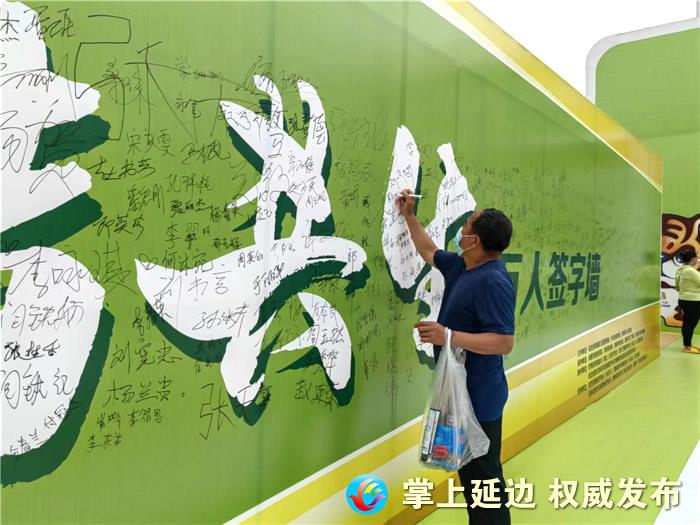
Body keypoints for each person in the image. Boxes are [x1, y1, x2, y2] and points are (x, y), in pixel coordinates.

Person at [397, 189, 515, 525]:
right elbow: (428, 251)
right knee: (471, 477)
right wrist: (409, 216)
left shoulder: (493, 281)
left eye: (466, 227)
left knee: (484, 482)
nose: (461, 230)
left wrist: (447, 336)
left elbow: (504, 341)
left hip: (479, 398)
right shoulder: (463, 266)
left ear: (474, 240)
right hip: (457, 391)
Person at [675, 246, 700, 354]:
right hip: (693, 301)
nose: (698, 260)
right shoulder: (690, 271)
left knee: (687, 323)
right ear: (692, 259)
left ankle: (687, 345)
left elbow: (677, 286)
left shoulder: (681, 269)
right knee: (690, 324)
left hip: (684, 299)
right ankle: (687, 347)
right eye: (697, 258)